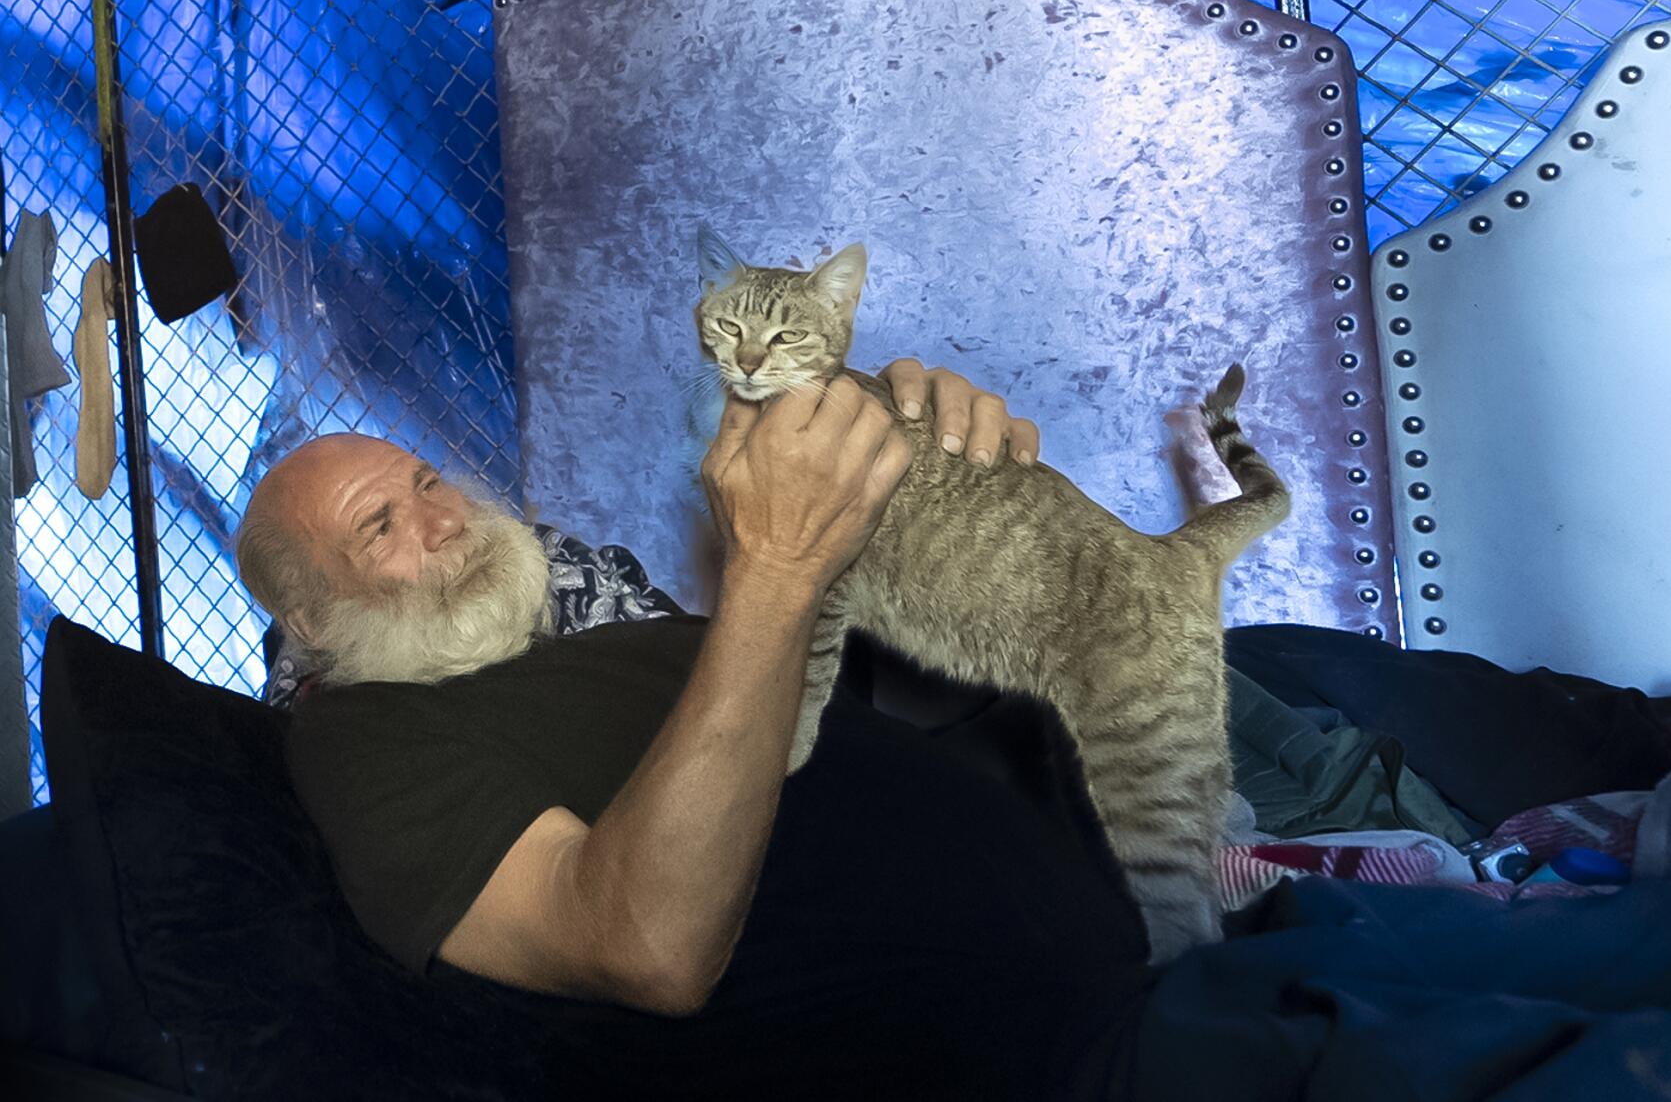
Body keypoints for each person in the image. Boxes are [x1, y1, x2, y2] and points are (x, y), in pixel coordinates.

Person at [240, 358, 1155, 1100]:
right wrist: (776, 562)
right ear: (314, 620)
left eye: (427, 479)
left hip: (1113, 915)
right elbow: (645, 946)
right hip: (1054, 1048)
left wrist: (909, 487)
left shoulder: (600, 620)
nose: (444, 518)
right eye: (380, 526)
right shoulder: (358, 736)